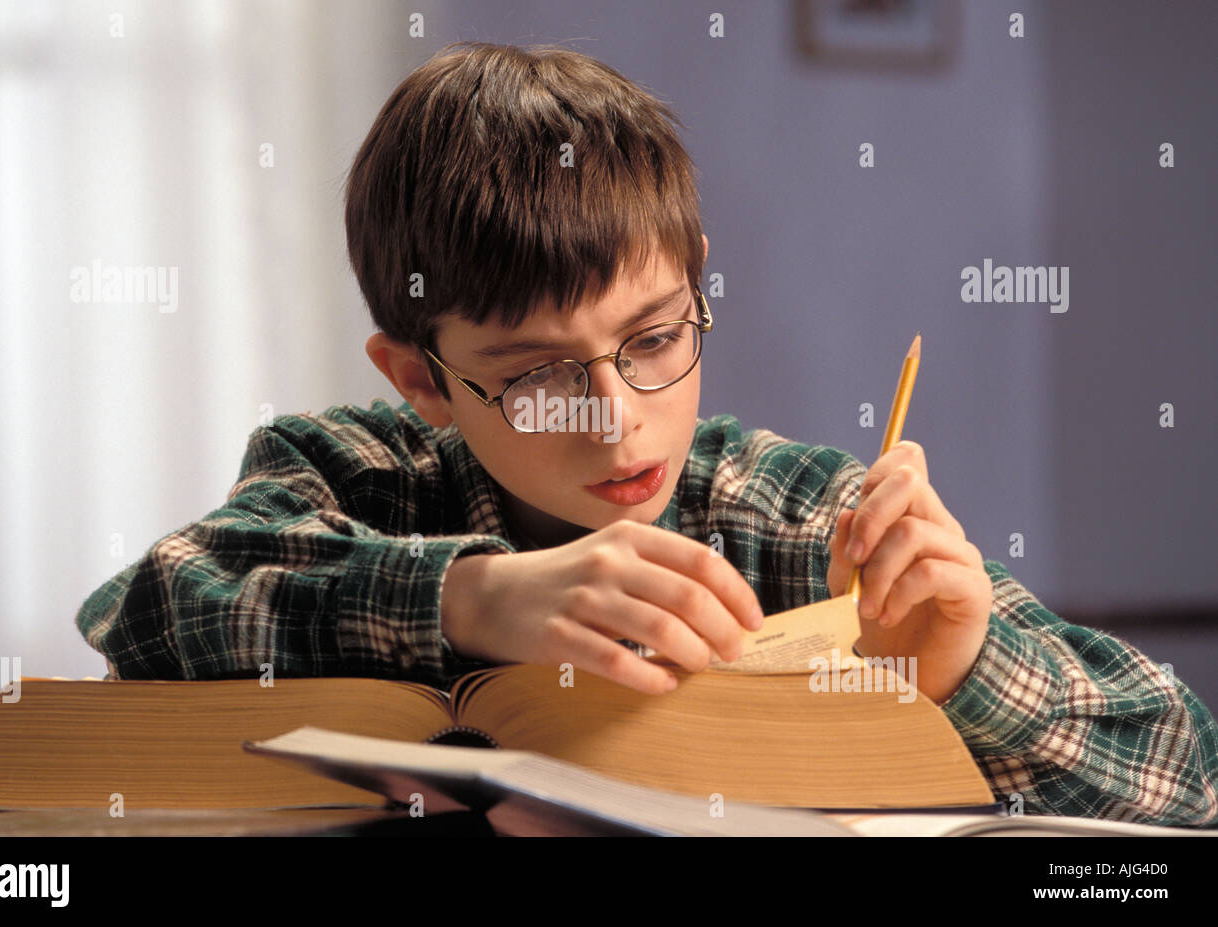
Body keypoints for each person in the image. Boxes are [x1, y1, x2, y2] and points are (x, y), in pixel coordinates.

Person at [75, 41, 1217, 827]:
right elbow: (150, 606)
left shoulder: (794, 514)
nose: (616, 417)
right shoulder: (355, 472)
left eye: (656, 337)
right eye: (532, 375)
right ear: (421, 378)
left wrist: (964, 667)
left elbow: (1185, 772)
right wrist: (477, 599)